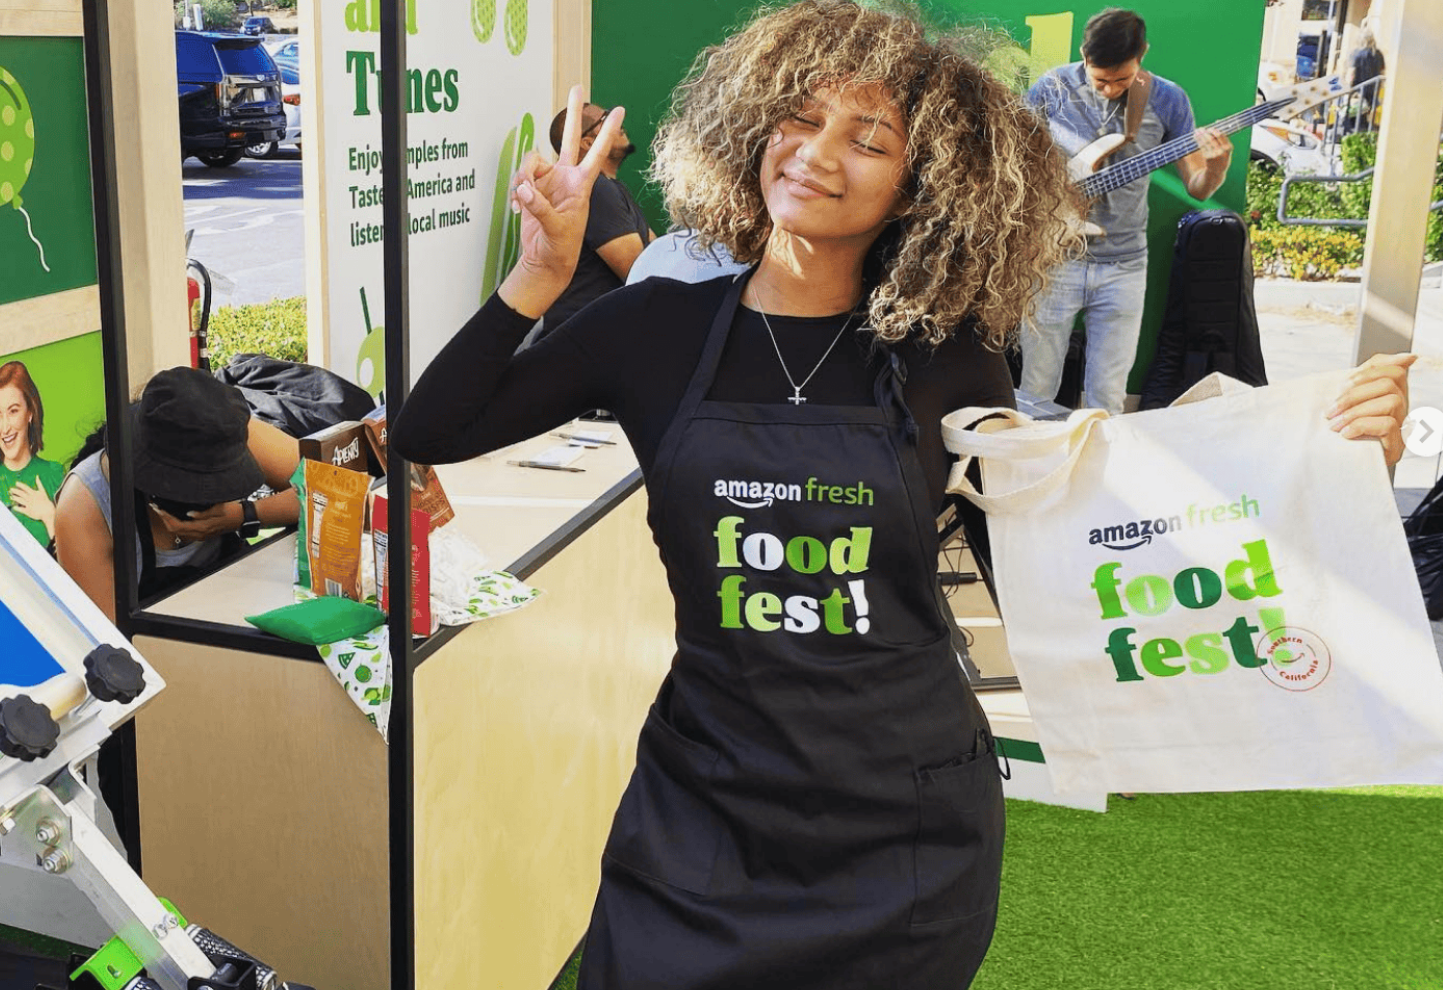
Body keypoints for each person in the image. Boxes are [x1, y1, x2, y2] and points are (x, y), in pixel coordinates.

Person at [391, 2, 1412, 986]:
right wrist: (536, 271)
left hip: (904, 813)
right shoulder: (649, 326)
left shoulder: (948, 360)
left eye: (866, 139)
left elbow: (1056, 544)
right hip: (706, 798)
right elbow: (435, 430)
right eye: (798, 119)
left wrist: (1314, 466)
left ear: (920, 184)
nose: (816, 153)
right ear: (752, 132)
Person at [1019, 7, 1234, 413]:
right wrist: (1052, 191)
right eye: (1101, 79)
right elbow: (1012, 163)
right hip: (1052, 262)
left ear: (1144, 54)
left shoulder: (1168, 99)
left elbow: (1197, 187)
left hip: (1124, 267)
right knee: (1035, 390)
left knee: (1108, 397)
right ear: (1084, 54)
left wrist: (1217, 166)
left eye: (1121, 79)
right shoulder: (1051, 88)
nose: (1110, 90)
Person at [54, 367, 300, 621]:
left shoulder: (223, 434)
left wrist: (243, 515)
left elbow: (332, 491)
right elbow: (113, 642)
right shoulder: (84, 507)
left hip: (241, 609)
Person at [539, 101, 654, 334]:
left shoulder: (609, 187)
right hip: (584, 344)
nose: (618, 124)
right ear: (587, 142)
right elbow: (640, 272)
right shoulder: (596, 190)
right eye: (605, 119)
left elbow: (654, 249)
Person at [0, 360, 65, 548]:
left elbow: (74, 563)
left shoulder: (56, 475)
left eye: (13, 411)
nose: (5, 427)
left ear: (30, 412)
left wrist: (49, 515)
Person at [1342, 22, 1384, 135]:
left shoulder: (1356, 54)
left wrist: (1346, 89)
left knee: (1352, 119)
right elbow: (1382, 72)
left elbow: (1351, 74)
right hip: (1372, 92)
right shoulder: (1378, 54)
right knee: (1364, 118)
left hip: (1357, 92)